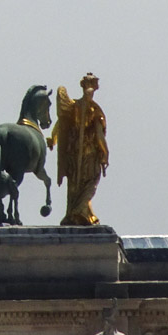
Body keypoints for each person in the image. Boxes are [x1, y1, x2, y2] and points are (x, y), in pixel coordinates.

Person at [48, 73, 109, 226]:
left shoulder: (75, 106)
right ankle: (77, 211)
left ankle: (81, 214)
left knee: (76, 185)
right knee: (90, 183)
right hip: (89, 153)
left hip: (73, 152)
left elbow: (60, 124)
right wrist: (105, 154)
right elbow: (99, 136)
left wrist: (53, 139)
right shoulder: (93, 109)